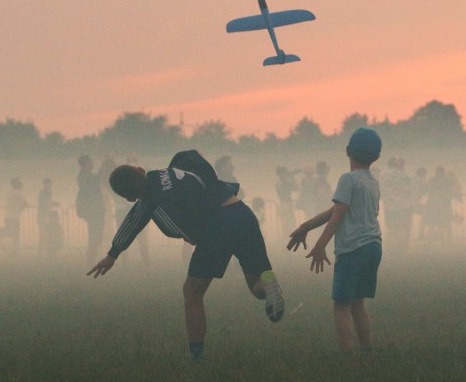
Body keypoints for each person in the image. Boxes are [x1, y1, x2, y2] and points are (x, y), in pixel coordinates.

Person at [87, 150, 284, 362]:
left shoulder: (151, 200)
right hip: (241, 211)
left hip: (218, 226)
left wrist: (112, 254)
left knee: (192, 293)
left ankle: (196, 357)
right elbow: (200, 167)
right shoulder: (176, 164)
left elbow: (139, 221)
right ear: (140, 169)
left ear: (129, 197)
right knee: (256, 286)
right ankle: (269, 285)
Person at [287, 127, 383, 352]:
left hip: (353, 250)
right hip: (373, 247)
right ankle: (368, 352)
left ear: (347, 150)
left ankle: (347, 356)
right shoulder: (372, 182)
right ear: (377, 157)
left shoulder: (347, 179)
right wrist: (306, 226)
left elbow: (339, 214)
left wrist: (320, 246)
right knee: (358, 304)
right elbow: (336, 209)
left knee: (341, 306)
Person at [75, 155, 106, 265]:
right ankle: (90, 260)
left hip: (94, 210)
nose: (92, 163)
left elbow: (96, 179)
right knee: (95, 236)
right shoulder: (84, 176)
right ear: (86, 163)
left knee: (96, 236)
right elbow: (95, 182)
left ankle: (91, 259)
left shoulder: (85, 175)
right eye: (90, 161)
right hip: (93, 211)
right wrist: (104, 165)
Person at [380, 157, 413, 252]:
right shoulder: (404, 176)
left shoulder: (384, 176)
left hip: (389, 206)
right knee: (401, 226)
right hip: (403, 206)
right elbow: (408, 190)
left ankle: (391, 246)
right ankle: (401, 246)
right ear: (397, 165)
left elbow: (382, 191)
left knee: (391, 227)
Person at [0, 177, 29, 252]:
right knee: (15, 234)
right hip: (15, 217)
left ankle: (6, 249)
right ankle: (15, 250)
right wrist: (20, 209)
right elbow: (26, 204)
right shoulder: (18, 193)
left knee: (9, 234)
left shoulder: (8, 193)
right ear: (16, 184)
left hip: (7, 216)